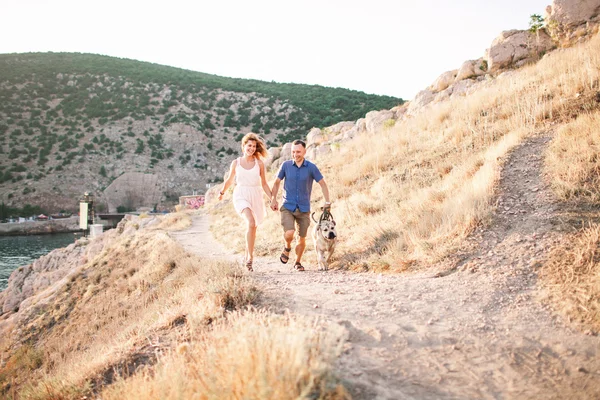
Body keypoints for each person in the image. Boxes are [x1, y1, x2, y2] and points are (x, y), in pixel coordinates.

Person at [270, 139, 331, 271]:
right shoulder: (285, 165)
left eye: (298, 151)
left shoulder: (311, 167)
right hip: (288, 205)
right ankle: (287, 247)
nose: (295, 154)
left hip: (304, 208)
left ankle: (297, 262)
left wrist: (327, 202)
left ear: (304, 151)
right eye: (293, 151)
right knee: (289, 233)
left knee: (302, 239)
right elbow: (276, 183)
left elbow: (322, 184)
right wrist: (273, 198)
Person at [218, 133, 273, 271]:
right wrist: (222, 192)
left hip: (255, 194)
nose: (252, 148)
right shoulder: (236, 163)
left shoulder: (259, 164)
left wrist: (272, 198)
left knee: (253, 227)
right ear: (243, 146)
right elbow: (230, 180)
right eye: (249, 146)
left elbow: (264, 183)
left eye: (254, 146)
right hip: (241, 194)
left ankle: (248, 253)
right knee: (251, 222)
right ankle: (250, 258)